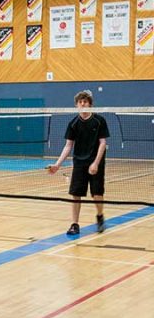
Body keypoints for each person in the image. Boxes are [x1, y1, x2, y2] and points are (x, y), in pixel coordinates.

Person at [48, 89, 109, 236]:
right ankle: (74, 224)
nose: (83, 104)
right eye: (80, 102)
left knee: (97, 194)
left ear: (90, 104)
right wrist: (57, 164)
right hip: (79, 163)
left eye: (85, 102)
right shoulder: (73, 123)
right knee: (76, 194)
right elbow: (68, 145)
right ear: (76, 105)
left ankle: (100, 216)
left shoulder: (99, 121)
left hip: (96, 163)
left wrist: (95, 163)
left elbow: (102, 143)